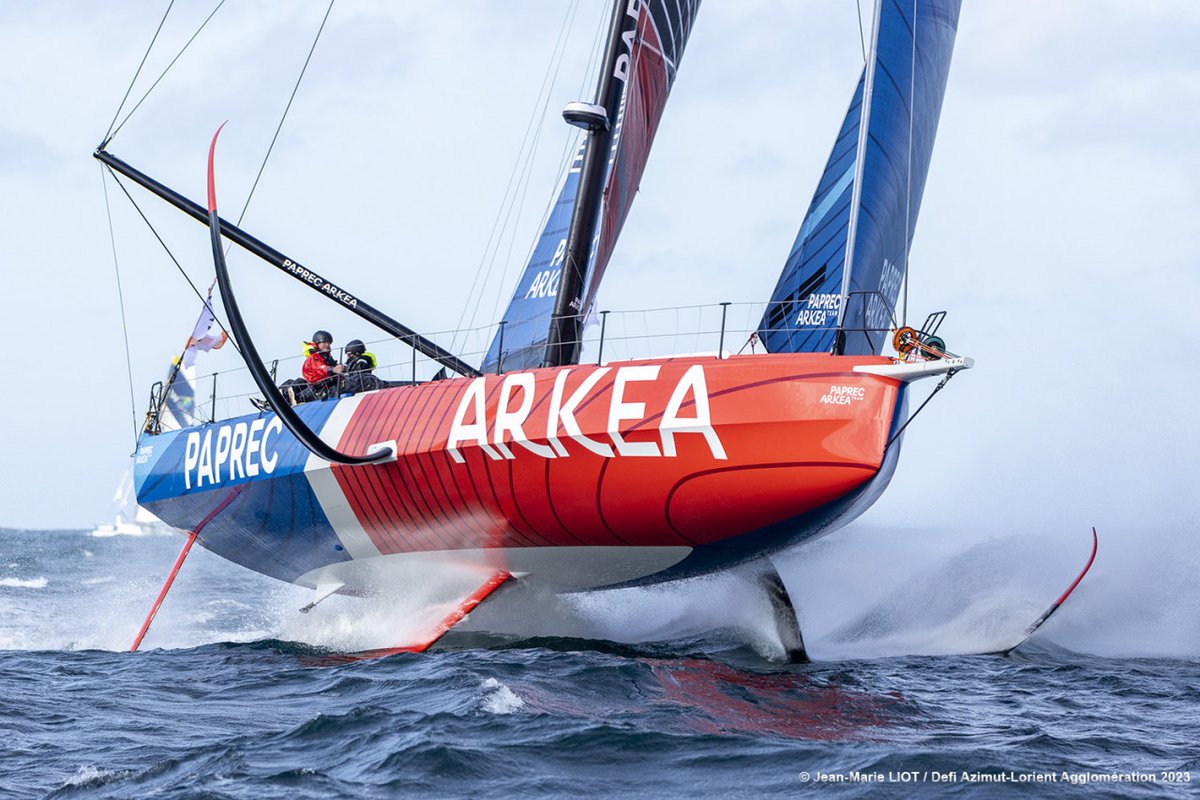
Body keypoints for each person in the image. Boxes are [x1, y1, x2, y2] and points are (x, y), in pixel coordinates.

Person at [302, 329, 344, 399]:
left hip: (329, 384)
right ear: (317, 344)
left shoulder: (326, 357)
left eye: (329, 343)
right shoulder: (314, 357)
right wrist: (333, 369)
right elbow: (320, 368)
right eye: (324, 342)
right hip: (319, 389)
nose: (327, 345)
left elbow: (334, 366)